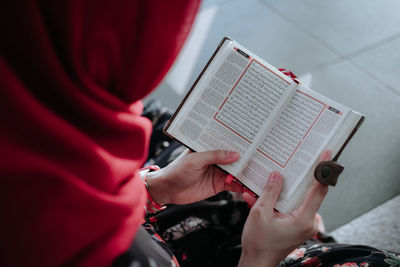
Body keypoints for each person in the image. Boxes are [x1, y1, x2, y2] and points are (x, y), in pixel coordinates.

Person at [1, 1, 399, 267]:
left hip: (147, 216)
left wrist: (157, 190)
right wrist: (259, 258)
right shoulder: (75, 240)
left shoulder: (31, 110)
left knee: (218, 176)